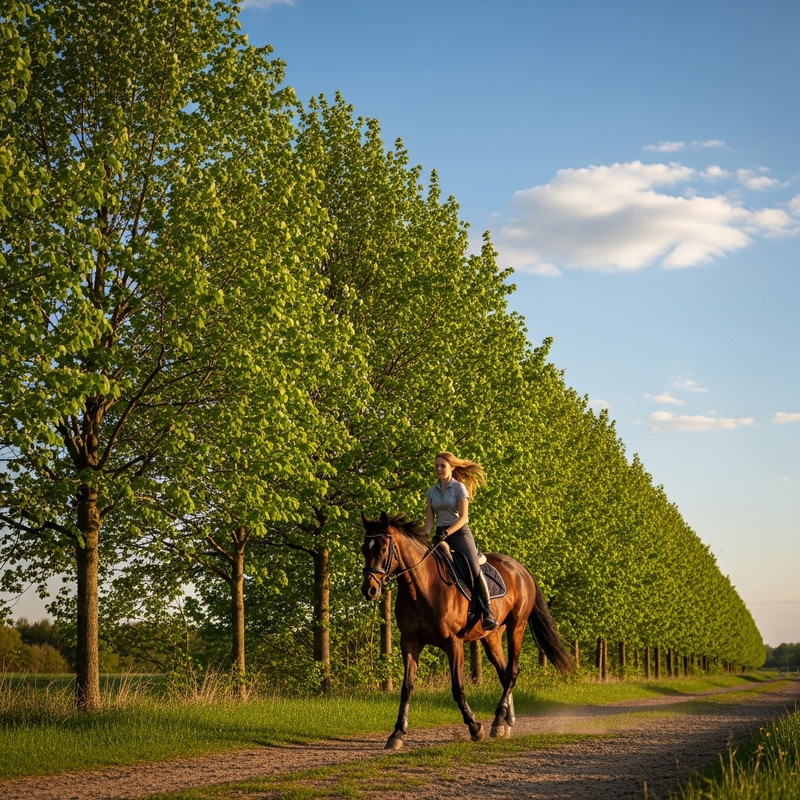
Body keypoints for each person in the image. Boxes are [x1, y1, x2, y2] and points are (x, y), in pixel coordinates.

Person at [423, 451, 498, 630]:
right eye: (436, 466)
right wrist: (423, 536)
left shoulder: (459, 488)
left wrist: (447, 532)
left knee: (473, 567)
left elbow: (463, 517)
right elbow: (430, 520)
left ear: (452, 467)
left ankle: (487, 611)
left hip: (459, 533)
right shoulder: (431, 491)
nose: (439, 469)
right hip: (441, 535)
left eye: (442, 466)